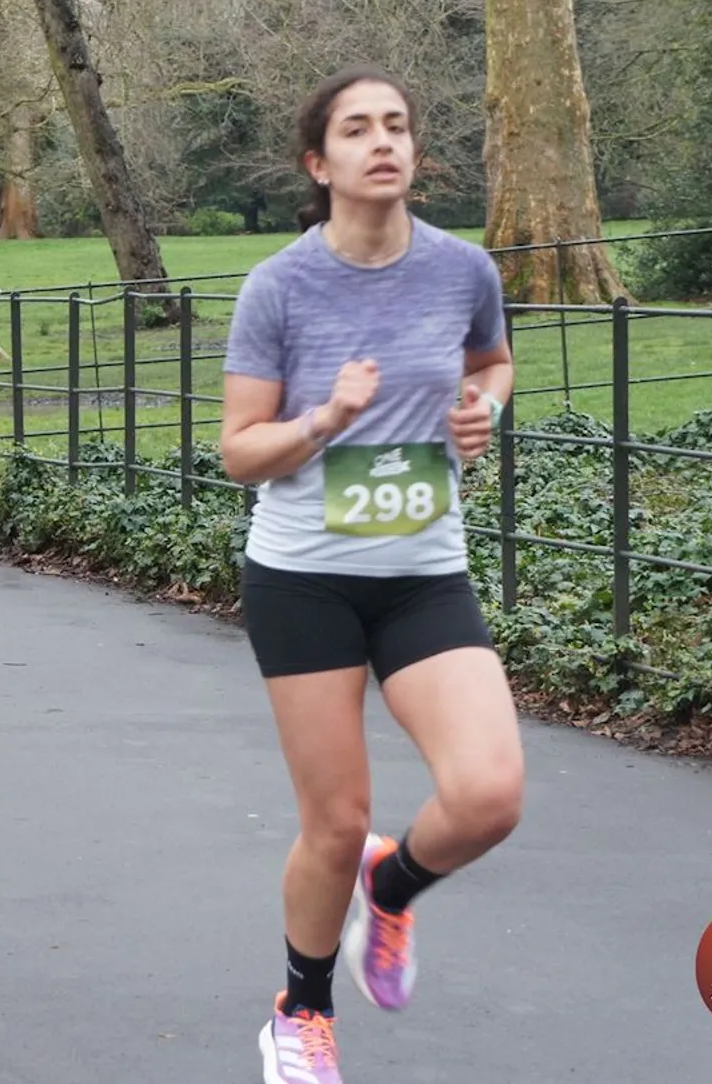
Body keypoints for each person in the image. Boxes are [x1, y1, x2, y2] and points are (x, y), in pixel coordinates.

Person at [219, 68, 523, 1084]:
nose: (382, 141)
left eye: (397, 124)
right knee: (334, 818)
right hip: (304, 578)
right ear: (321, 162)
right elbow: (239, 450)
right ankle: (300, 1012)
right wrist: (324, 421)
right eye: (358, 129)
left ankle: (389, 889)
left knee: (488, 795)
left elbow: (490, 360)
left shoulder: (460, 269)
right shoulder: (280, 288)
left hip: (423, 571)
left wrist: (484, 408)